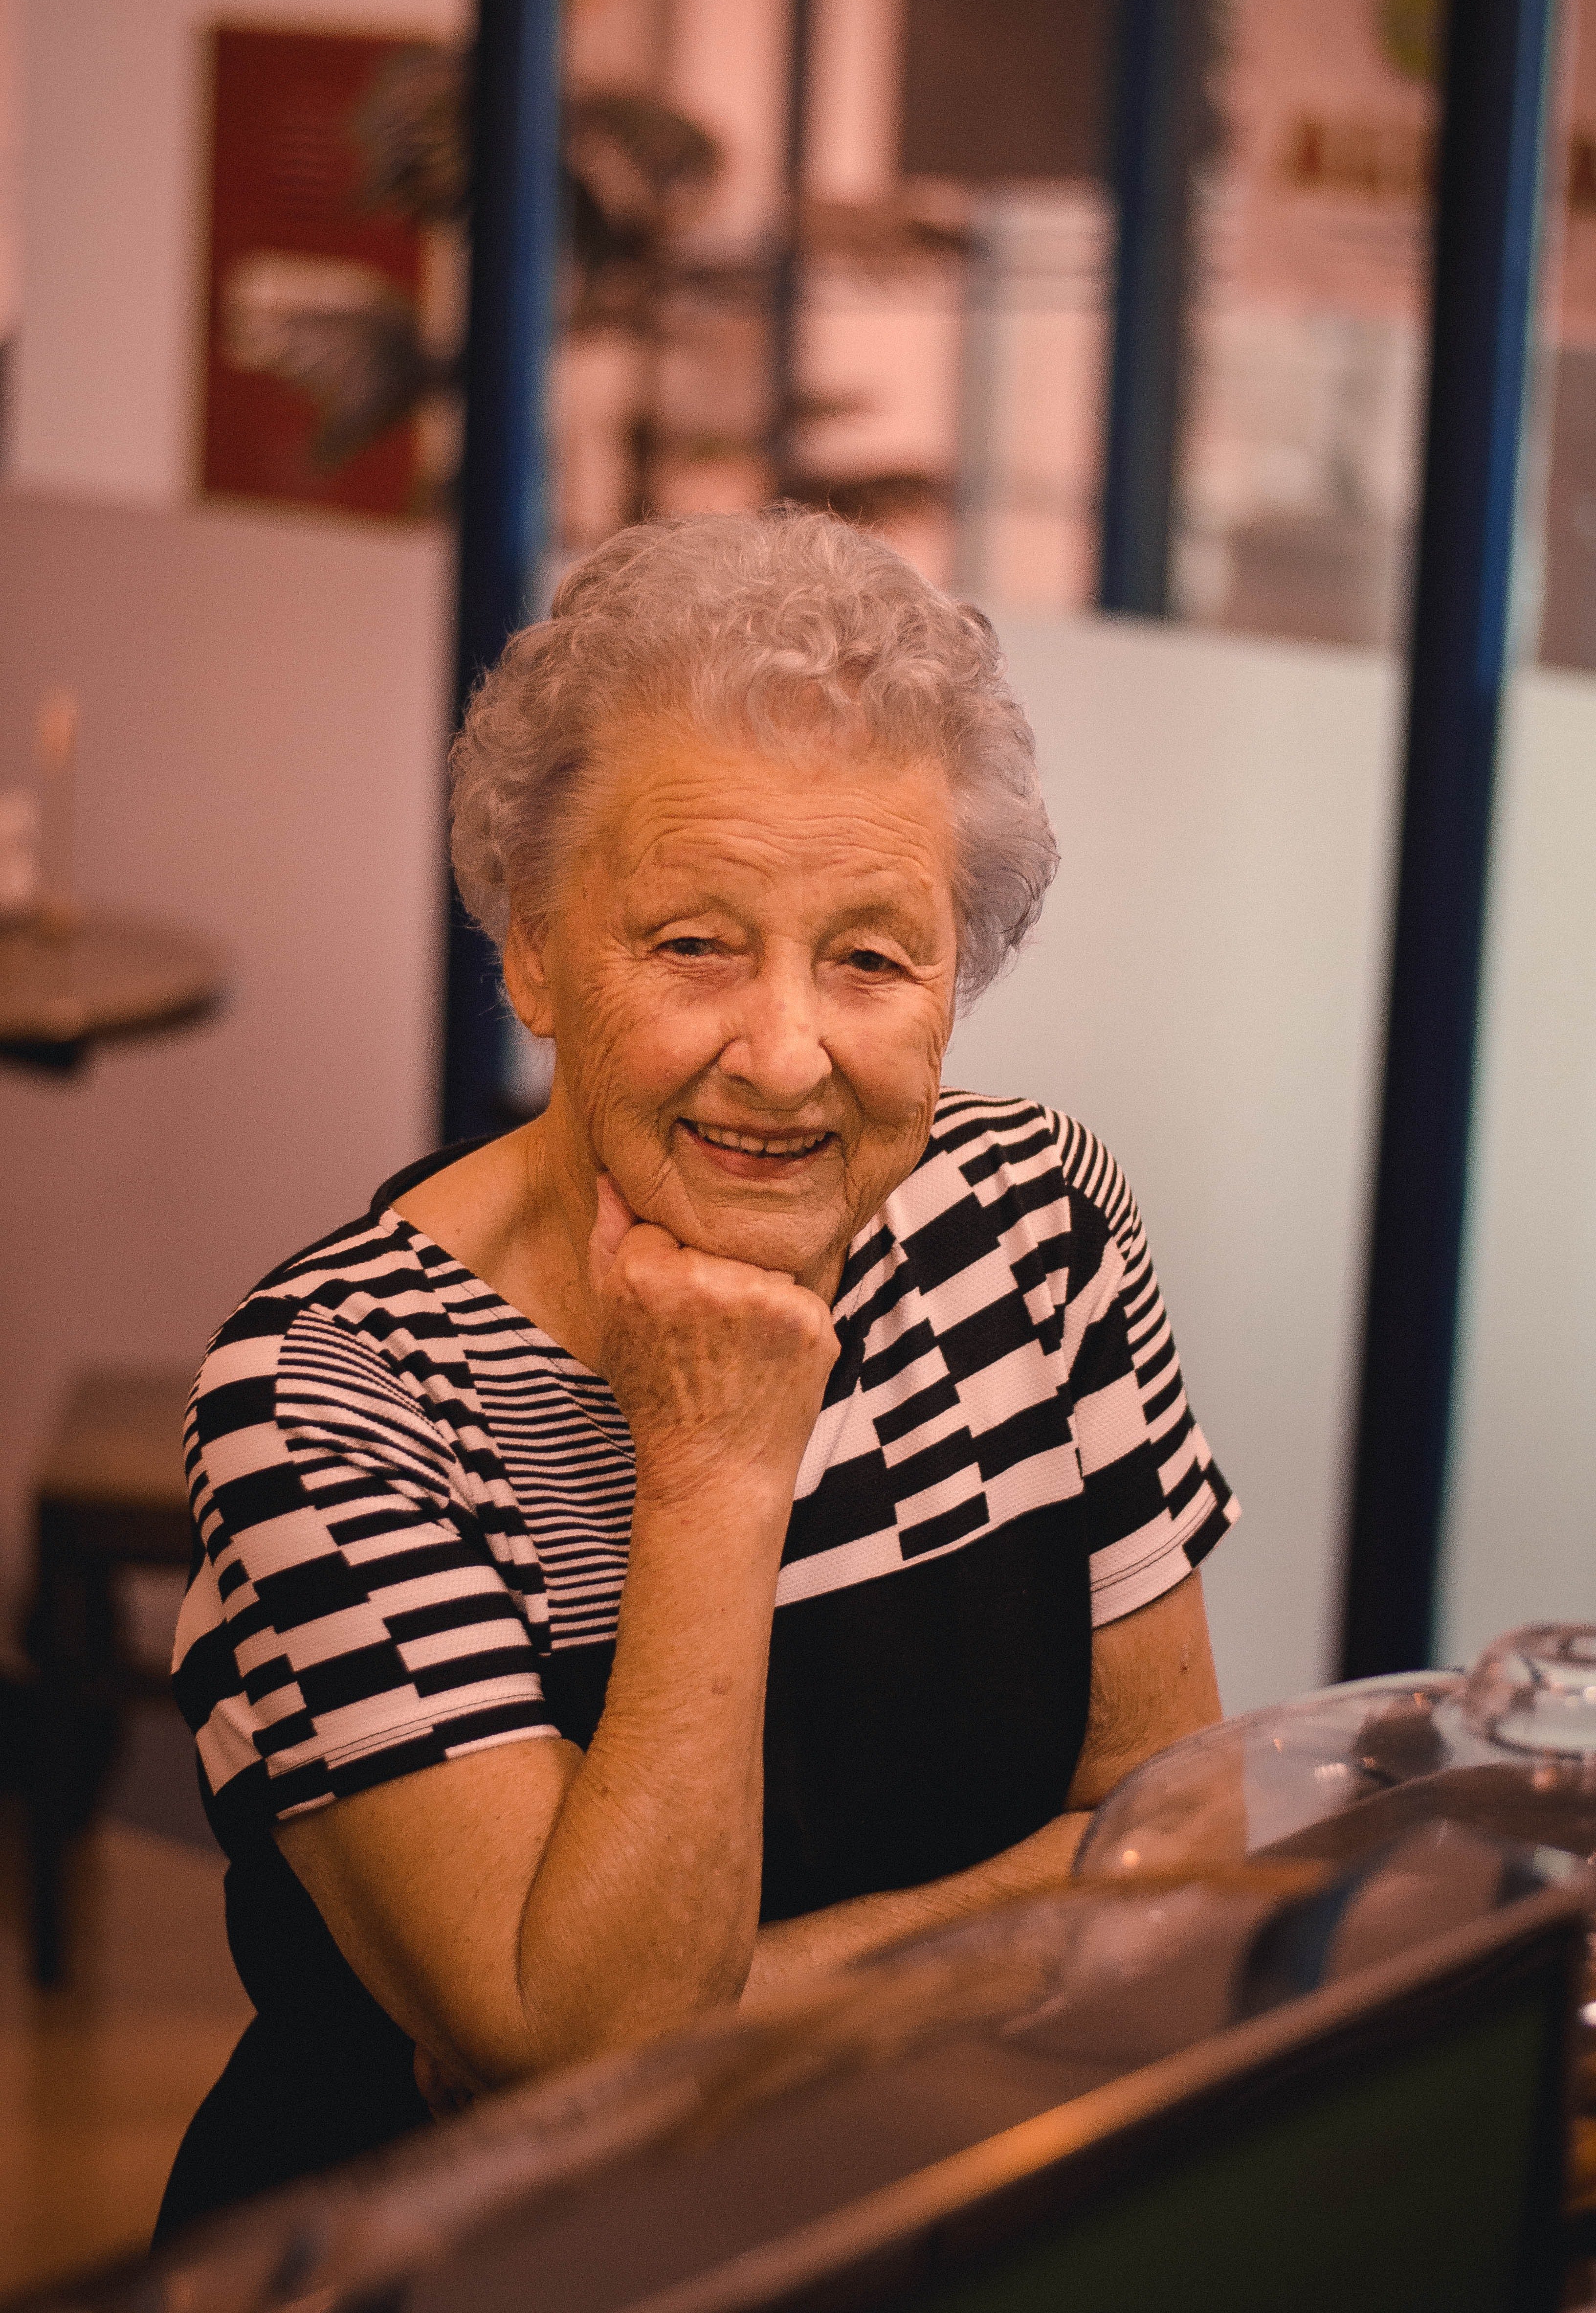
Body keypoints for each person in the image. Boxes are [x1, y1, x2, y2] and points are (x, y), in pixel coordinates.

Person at [158, 508, 1235, 2237]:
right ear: (530, 951)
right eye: (693, 943)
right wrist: (721, 1462)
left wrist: (743, 1996)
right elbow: (586, 2085)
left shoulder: (1033, 1229)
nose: (786, 1055)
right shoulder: (330, 1400)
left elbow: (1180, 1844)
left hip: (931, 2219)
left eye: (873, 956)